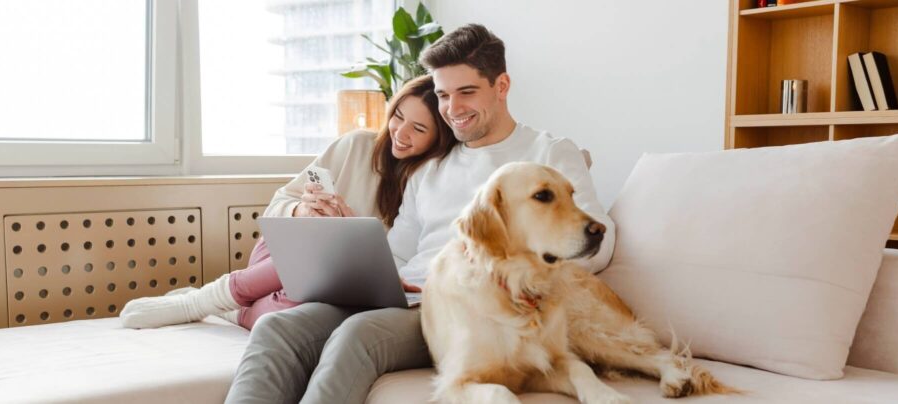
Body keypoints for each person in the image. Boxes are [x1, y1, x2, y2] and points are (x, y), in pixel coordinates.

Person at [224, 24, 616, 404]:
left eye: (466, 92)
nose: (453, 108)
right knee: (278, 326)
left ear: (501, 86)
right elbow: (400, 251)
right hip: (407, 296)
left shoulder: (549, 154)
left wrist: (515, 277)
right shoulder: (430, 167)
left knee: (358, 335)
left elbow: (598, 243)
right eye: (444, 95)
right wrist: (375, 272)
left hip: (471, 310)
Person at [118, 75, 456, 330]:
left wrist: (349, 232)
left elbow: (386, 268)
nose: (400, 132)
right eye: (397, 116)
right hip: (279, 255)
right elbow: (278, 205)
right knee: (316, 247)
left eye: (418, 128)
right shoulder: (355, 145)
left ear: (438, 137)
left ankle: (232, 309)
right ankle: (197, 302)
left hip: (327, 285)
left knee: (295, 319)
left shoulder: (429, 181)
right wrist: (302, 210)